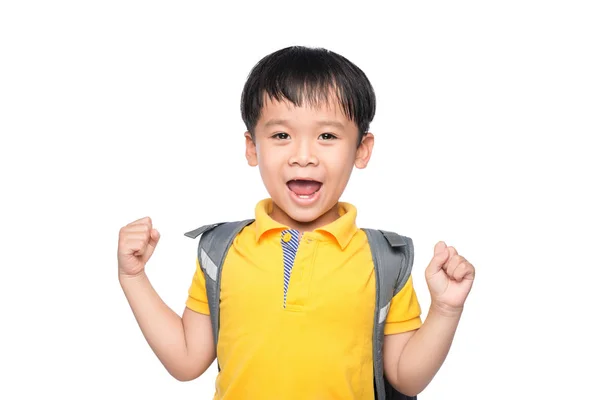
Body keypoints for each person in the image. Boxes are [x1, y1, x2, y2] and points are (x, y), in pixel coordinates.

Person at [117, 45, 476, 399]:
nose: (303, 156)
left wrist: (446, 309)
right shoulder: (221, 250)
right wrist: (134, 277)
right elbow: (185, 361)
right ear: (252, 148)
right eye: (281, 136)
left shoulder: (385, 258)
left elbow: (406, 378)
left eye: (327, 136)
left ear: (361, 150)